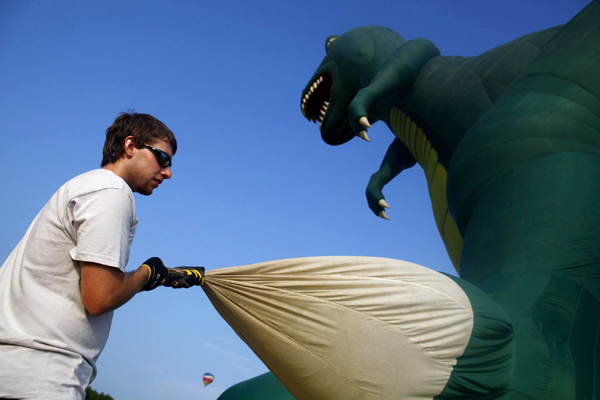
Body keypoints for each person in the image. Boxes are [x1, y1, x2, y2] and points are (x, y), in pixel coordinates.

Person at [0, 111, 204, 399]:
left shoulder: (84, 185)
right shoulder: (111, 192)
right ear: (130, 146)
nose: (168, 172)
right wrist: (149, 273)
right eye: (163, 158)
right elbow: (100, 298)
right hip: (41, 376)